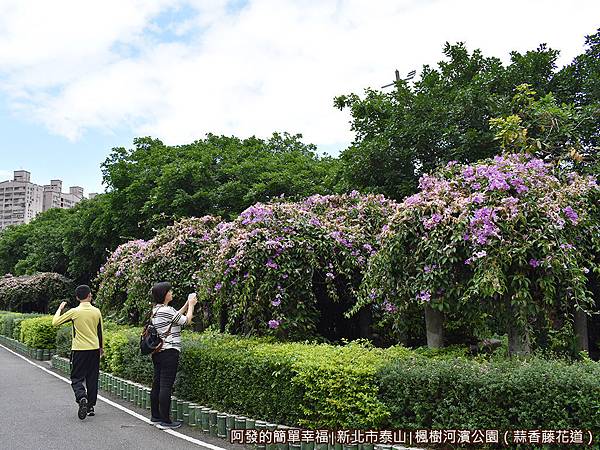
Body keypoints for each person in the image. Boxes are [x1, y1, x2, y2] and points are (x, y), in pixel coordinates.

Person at [149, 281, 197, 429]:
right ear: (164, 295)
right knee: (166, 386)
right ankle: (166, 421)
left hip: (158, 352)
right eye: (169, 291)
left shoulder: (157, 309)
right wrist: (192, 305)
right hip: (170, 351)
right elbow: (186, 321)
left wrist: (186, 304)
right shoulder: (167, 310)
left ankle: (155, 416)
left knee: (157, 384)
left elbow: (175, 316)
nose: (171, 293)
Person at [52, 285, 104, 420]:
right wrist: (101, 347)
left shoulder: (75, 312)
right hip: (94, 349)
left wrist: (60, 309)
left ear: (77, 297)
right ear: (90, 295)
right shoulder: (97, 311)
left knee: (76, 378)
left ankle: (82, 397)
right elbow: (100, 331)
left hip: (79, 349)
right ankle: (91, 407)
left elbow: (55, 322)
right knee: (92, 377)